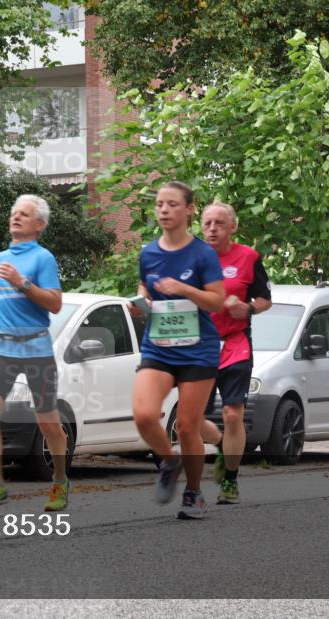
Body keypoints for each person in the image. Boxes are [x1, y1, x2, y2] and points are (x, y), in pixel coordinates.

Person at [130, 182, 224, 519]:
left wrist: (183, 288)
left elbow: (216, 300)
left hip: (198, 349)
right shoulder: (148, 252)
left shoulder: (203, 254)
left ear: (189, 210)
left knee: (187, 427)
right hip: (158, 346)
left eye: (172, 204)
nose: (164, 210)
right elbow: (145, 283)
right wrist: (143, 300)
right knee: (143, 415)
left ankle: (194, 492)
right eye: (159, 204)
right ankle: (169, 462)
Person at [0, 194, 69, 512]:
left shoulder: (43, 259)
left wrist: (22, 282)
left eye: (24, 214)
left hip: (35, 348)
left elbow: (54, 303)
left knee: (48, 422)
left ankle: (59, 479)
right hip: (1, 347)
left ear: (39, 225)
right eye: (14, 212)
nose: (15, 217)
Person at [199, 201, 272, 505]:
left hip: (235, 342)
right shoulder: (191, 257)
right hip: (199, 344)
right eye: (207, 223)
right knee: (190, 420)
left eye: (219, 223)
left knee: (232, 414)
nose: (212, 229)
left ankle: (230, 479)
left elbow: (265, 299)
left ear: (233, 227)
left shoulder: (248, 257)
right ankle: (219, 447)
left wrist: (249, 308)